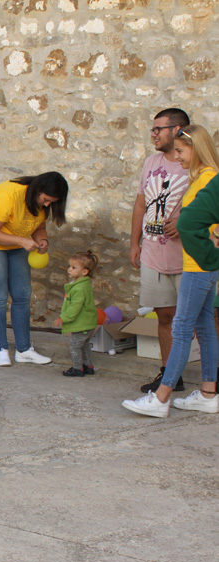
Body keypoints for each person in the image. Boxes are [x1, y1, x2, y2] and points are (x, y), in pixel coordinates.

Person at [124, 124, 219, 418]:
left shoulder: (209, 178)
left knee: (182, 327)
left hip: (197, 266)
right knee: (204, 326)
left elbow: (193, 223)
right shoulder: (203, 177)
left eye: (180, 151)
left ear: (197, 149)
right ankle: (208, 393)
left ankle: (161, 397)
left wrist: (208, 252)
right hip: (200, 264)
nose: (177, 157)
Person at [0, 172, 68, 366]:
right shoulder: (10, 195)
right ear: (37, 190)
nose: (47, 205)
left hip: (15, 243)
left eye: (52, 202)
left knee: (22, 295)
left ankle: (24, 350)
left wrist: (43, 240)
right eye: (46, 199)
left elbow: (39, 227)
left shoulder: (43, 204)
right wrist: (22, 241)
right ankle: (1, 350)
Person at [129, 108, 192, 393]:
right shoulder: (150, 162)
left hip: (188, 257)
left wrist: (185, 222)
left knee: (202, 320)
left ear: (177, 130)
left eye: (158, 129)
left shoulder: (195, 164)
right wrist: (135, 243)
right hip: (153, 255)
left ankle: (211, 378)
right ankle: (170, 376)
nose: (153, 134)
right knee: (164, 317)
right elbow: (140, 205)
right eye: (152, 129)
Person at [53, 251, 99, 377]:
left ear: (84, 272)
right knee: (84, 345)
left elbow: (75, 307)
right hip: (87, 323)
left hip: (82, 324)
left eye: (73, 267)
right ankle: (88, 366)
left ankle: (77, 368)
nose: (69, 269)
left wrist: (63, 318)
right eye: (69, 266)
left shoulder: (79, 288)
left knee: (75, 346)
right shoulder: (82, 284)